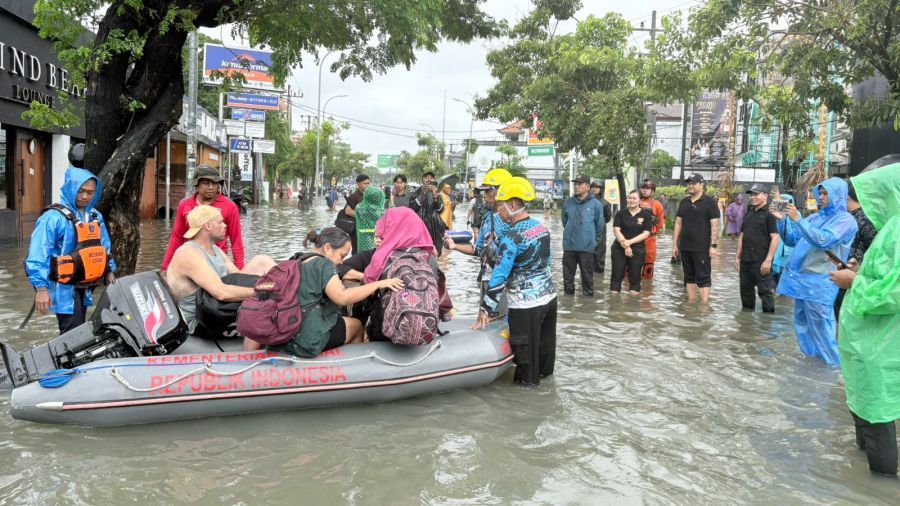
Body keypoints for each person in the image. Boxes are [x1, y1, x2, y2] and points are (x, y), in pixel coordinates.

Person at [829, 165, 900, 477]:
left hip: (878, 345)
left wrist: (852, 282)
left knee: (876, 415)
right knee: (866, 410)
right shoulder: (891, 228)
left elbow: (893, 292)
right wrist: (858, 275)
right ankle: (863, 485)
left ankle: (880, 487)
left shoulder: (897, 231)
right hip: (867, 342)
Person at [263, 228, 404, 356]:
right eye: (342, 256)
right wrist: (379, 283)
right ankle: (356, 367)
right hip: (305, 340)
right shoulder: (325, 265)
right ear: (327, 248)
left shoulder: (296, 259)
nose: (341, 262)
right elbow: (342, 297)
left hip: (282, 333)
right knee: (355, 326)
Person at [25, 147, 116, 334]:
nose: (84, 196)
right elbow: (38, 254)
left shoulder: (94, 216)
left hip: (85, 285)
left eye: (90, 192)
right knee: (72, 335)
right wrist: (41, 289)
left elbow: (104, 246)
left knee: (81, 331)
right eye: (80, 191)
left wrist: (109, 271)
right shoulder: (52, 217)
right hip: (64, 288)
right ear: (70, 188)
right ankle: (66, 364)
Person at [475, 177, 556, 387]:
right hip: (549, 299)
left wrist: (485, 308)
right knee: (544, 355)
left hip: (526, 306)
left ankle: (526, 406)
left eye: (500, 207)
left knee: (525, 367)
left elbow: (500, 275)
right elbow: (548, 262)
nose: (498, 212)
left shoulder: (512, 237)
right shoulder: (541, 229)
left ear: (512, 205)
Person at [772, 177, 857, 365]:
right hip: (801, 283)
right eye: (821, 193)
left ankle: (832, 372)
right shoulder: (816, 217)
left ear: (839, 195)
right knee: (802, 328)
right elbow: (792, 239)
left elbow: (823, 240)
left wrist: (798, 219)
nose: (821, 197)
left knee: (822, 333)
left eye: (826, 193)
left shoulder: (845, 221)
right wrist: (783, 220)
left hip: (820, 284)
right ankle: (811, 369)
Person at [165, 206, 277, 335]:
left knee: (262, 261)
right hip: (200, 322)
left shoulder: (215, 250)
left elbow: (239, 278)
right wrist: (266, 292)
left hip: (217, 308)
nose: (225, 225)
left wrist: (271, 285)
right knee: (268, 293)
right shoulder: (188, 253)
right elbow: (221, 293)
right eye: (220, 222)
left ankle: (290, 295)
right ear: (208, 225)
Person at [444, 168, 513, 315]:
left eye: (488, 192)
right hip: (486, 279)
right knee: (487, 321)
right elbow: (479, 249)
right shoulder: (488, 218)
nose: (485, 196)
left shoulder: (513, 221)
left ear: (501, 192)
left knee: (504, 326)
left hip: (505, 283)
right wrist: (455, 246)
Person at [161, 165, 245, 272]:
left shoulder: (229, 206)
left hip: (217, 262)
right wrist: (165, 268)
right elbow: (176, 238)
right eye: (206, 183)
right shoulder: (185, 205)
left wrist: (240, 272)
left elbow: (236, 241)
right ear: (197, 184)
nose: (211, 187)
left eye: (214, 183)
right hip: (191, 260)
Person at [672, 174, 721, 302]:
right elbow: (678, 223)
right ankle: (691, 303)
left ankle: (704, 306)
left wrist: (713, 246)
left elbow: (715, 224)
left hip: (702, 248)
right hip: (685, 246)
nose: (690, 186)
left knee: (703, 277)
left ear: (701, 185)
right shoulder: (684, 202)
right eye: (689, 183)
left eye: (693, 183)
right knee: (689, 277)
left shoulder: (710, 202)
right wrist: (675, 244)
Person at [833, 181, 878, 319]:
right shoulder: (847, 218)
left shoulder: (865, 219)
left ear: (847, 197)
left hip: (856, 277)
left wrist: (859, 266)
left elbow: (875, 248)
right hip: (844, 273)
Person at [735, 184, 779, 313]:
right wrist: (737, 257)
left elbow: (775, 238)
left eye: (756, 194)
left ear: (765, 196)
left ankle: (767, 324)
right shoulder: (748, 212)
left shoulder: (770, 214)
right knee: (745, 294)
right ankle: (747, 326)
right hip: (745, 261)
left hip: (761, 262)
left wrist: (768, 260)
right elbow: (742, 236)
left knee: (765, 294)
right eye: (751, 194)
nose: (752, 197)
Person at [561, 174, 604, 296]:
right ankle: (568, 306)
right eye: (575, 184)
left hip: (587, 249)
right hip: (569, 247)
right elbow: (565, 221)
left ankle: (587, 309)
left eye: (580, 184)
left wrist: (593, 243)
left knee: (587, 280)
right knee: (567, 280)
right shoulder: (568, 203)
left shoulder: (596, 204)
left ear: (587, 186)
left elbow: (599, 227)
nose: (576, 186)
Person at [610, 190, 653, 294]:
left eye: (634, 198)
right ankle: (614, 306)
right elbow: (616, 230)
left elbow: (646, 233)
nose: (631, 200)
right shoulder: (621, 213)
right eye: (630, 198)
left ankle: (633, 307)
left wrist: (629, 243)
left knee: (635, 277)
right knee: (617, 275)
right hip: (619, 247)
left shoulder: (646, 215)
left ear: (639, 200)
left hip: (638, 249)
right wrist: (625, 245)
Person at [410, 171, 446, 255]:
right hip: (419, 226)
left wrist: (435, 195)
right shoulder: (416, 192)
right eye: (426, 178)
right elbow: (413, 208)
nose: (429, 180)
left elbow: (440, 210)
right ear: (422, 179)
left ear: (434, 180)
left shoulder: (437, 193)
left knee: (435, 252)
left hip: (434, 226)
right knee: (419, 252)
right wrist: (424, 192)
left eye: (431, 178)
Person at [334, 174, 370, 254]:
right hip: (356, 229)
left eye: (368, 183)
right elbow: (348, 211)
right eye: (365, 183)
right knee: (357, 250)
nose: (367, 185)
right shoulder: (354, 196)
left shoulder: (368, 196)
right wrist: (363, 215)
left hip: (366, 229)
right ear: (358, 184)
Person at [638, 178, 666, 280]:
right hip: (635, 239)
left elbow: (660, 223)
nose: (645, 190)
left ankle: (646, 293)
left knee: (648, 269)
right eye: (643, 188)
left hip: (650, 240)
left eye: (648, 188)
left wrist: (652, 232)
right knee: (630, 269)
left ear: (652, 191)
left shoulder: (657, 205)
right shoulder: (635, 201)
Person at [771, 193, 795, 285]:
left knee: (784, 278)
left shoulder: (796, 215)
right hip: (774, 249)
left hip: (787, 251)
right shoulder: (773, 214)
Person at [590, 180, 613, 274]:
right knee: (588, 252)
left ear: (601, 189)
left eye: (597, 187)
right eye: (593, 187)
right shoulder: (586, 201)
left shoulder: (606, 203)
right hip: (588, 229)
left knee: (600, 252)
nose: (594, 189)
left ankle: (599, 274)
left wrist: (600, 223)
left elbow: (608, 218)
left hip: (601, 230)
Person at [354, 186, 386, 252]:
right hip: (377, 241)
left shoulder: (359, 208)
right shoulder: (381, 212)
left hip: (363, 240)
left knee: (363, 258)